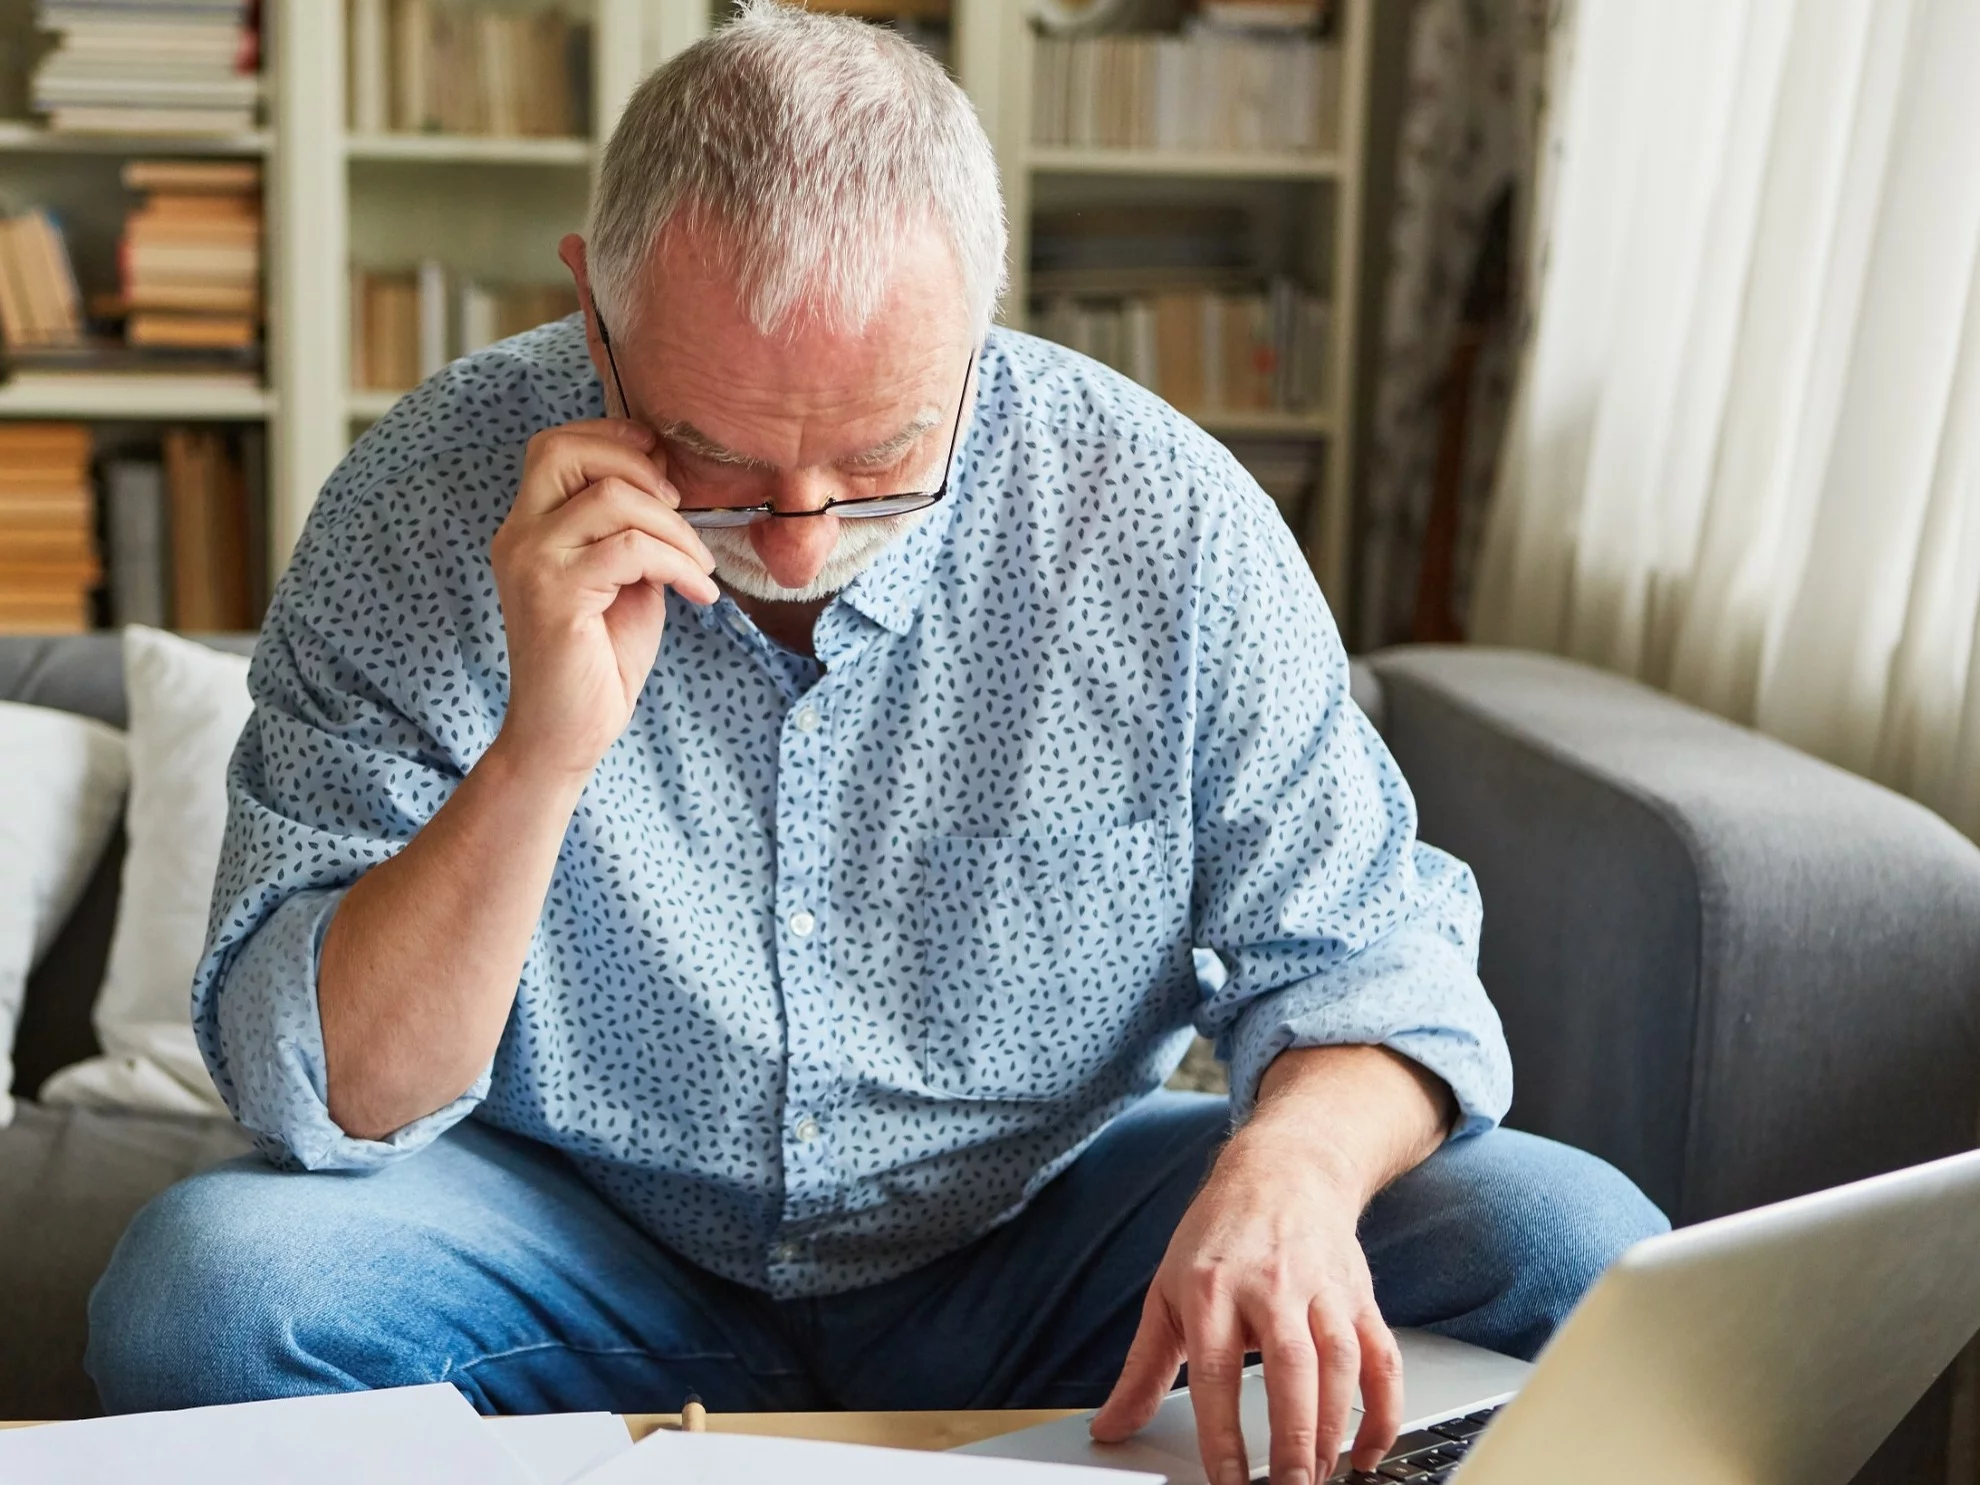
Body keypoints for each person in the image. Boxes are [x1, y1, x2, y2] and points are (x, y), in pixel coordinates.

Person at [86, 6, 1665, 1483]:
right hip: (577, 1247)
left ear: (979, 321)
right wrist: (540, 755)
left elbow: (1370, 958)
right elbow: (326, 1100)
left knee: (1561, 1239)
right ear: (594, 308)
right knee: (206, 1295)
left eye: (884, 455)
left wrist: (1295, 1175)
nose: (794, 535)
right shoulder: (421, 504)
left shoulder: (1161, 519)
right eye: (715, 455)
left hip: (1045, 1242)